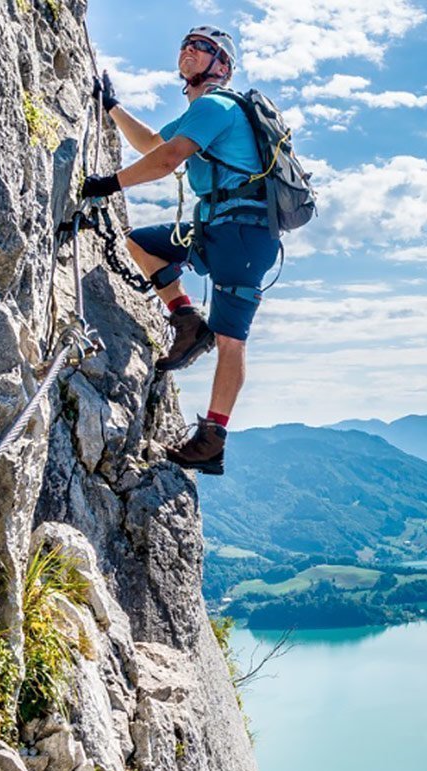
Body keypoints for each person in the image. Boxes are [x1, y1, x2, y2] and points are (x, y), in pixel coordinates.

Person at [82, 26, 281, 476]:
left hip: (244, 235)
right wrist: (111, 107)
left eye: (205, 48)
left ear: (222, 67)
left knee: (232, 339)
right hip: (216, 229)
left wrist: (108, 185)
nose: (190, 50)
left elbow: (169, 159)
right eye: (187, 44)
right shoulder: (201, 113)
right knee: (141, 243)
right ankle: (188, 322)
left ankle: (213, 438)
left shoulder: (216, 105)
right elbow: (153, 143)